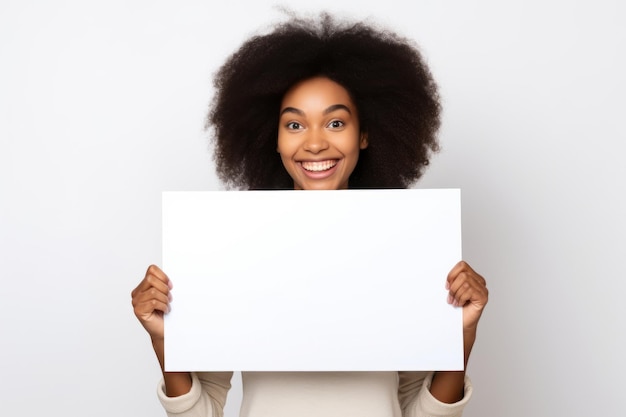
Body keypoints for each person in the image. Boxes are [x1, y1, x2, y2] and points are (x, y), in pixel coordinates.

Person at [131, 11, 488, 417]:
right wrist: (165, 340)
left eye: (335, 122)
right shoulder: (235, 246)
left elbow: (412, 409)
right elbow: (206, 408)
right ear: (275, 140)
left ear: (365, 134)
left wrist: (462, 335)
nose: (315, 144)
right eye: (295, 125)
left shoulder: (405, 245)